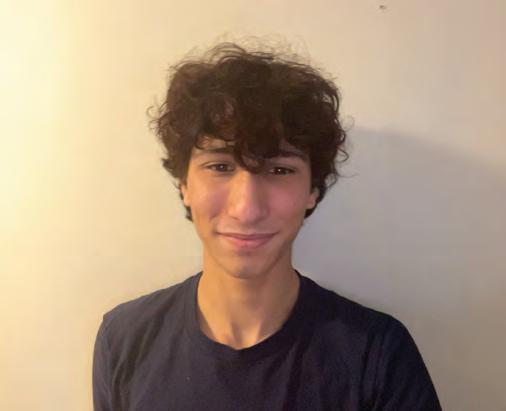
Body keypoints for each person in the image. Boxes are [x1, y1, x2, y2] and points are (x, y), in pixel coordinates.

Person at [92, 42, 442, 411]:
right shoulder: (125, 340)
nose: (246, 209)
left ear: (312, 190)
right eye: (220, 167)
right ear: (184, 185)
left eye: (279, 170)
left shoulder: (377, 354)